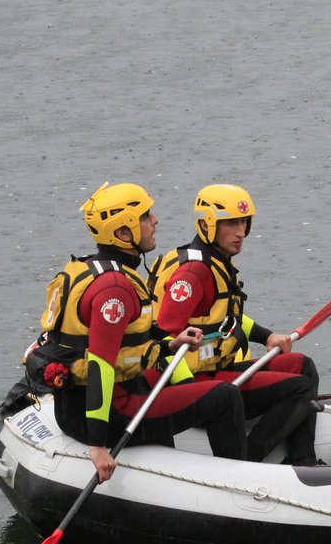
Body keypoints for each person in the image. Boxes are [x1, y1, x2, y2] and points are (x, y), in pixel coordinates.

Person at [21, 181, 247, 482]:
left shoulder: (95, 269)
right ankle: (240, 483)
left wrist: (169, 345)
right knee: (225, 395)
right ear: (123, 232)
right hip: (109, 415)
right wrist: (99, 446)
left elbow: (128, 339)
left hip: (80, 408)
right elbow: (100, 364)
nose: (155, 221)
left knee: (157, 382)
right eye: (145, 216)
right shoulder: (114, 288)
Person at [151, 184, 321, 464]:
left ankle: (303, 460)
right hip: (196, 382)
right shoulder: (194, 273)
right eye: (230, 223)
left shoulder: (214, 262)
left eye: (244, 222)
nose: (241, 232)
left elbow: (225, 319)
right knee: (300, 387)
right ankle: (250, 460)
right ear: (207, 225)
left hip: (217, 371)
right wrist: (195, 393)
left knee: (304, 366)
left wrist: (266, 336)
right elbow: (163, 337)